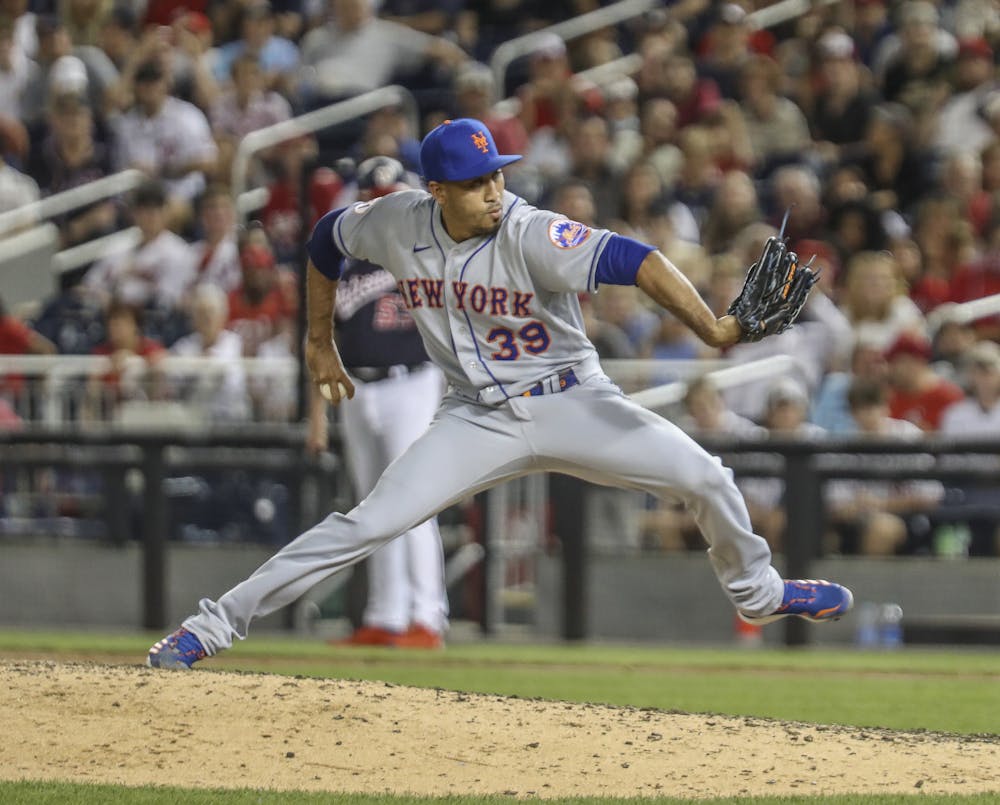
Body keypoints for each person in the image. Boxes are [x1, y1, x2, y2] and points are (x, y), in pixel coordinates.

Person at [147, 117, 853, 669]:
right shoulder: (395, 222)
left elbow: (635, 259)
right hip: (473, 418)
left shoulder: (531, 231)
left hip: (573, 401)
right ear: (438, 191)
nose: (495, 189)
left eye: (496, 174)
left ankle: (759, 594)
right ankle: (209, 626)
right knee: (365, 523)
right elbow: (328, 241)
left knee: (706, 476)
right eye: (478, 181)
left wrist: (712, 324)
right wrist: (316, 339)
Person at [307, 155, 448, 649]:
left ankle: (426, 617)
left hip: (411, 382)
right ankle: (385, 616)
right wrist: (318, 414)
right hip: (355, 388)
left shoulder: (428, 249)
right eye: (372, 197)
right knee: (371, 508)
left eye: (388, 197)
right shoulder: (341, 255)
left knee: (414, 501)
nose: (379, 205)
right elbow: (320, 338)